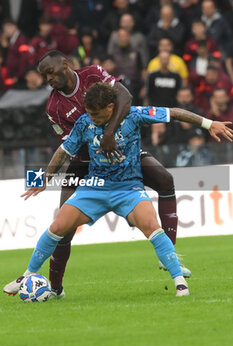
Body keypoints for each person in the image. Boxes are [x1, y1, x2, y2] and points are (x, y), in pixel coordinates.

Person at [3, 82, 233, 298]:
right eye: (89, 113)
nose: (91, 118)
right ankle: (27, 274)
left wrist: (208, 123)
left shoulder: (134, 116)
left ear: (111, 107)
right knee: (58, 226)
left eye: (96, 113)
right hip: (95, 187)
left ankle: (179, 282)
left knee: (152, 226)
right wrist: (45, 178)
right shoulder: (84, 122)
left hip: (128, 189)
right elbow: (63, 151)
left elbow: (173, 112)